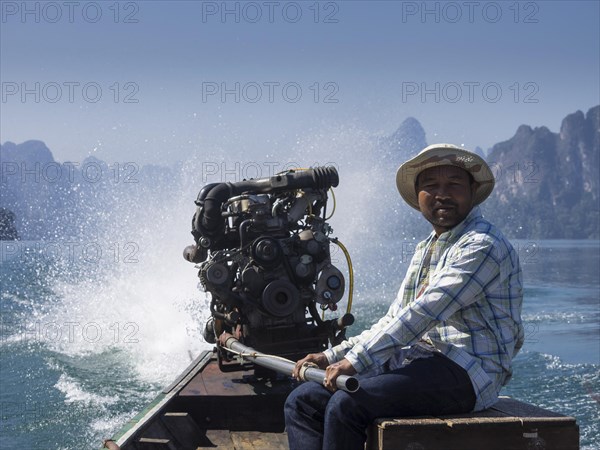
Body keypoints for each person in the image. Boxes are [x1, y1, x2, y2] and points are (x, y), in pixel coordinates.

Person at [284, 143, 524, 450]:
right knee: (302, 401)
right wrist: (333, 356)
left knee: (347, 404)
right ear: (419, 196)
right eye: (430, 186)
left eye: (454, 184)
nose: (442, 194)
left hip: (469, 371)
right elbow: (396, 317)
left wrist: (355, 362)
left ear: (472, 190)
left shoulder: (482, 245)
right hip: (420, 359)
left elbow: (424, 312)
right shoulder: (427, 248)